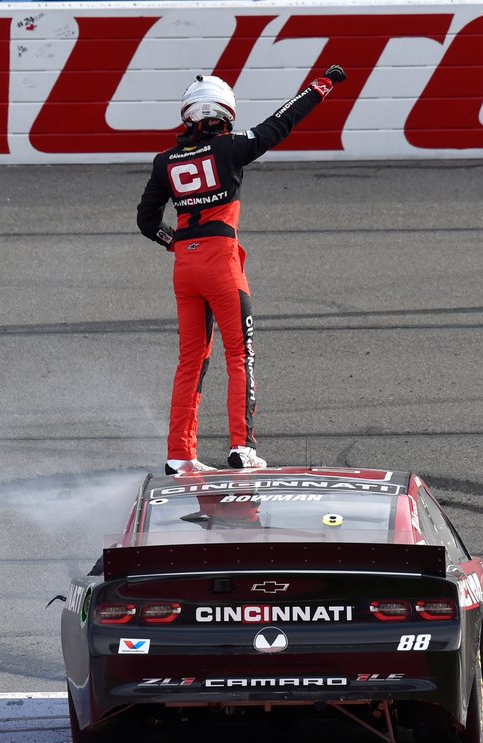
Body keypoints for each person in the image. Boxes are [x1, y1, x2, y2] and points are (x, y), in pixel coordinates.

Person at [137, 66, 347, 476]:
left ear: (188, 115)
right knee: (240, 355)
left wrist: (176, 242)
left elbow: (146, 221)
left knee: (191, 362)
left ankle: (179, 454)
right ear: (226, 113)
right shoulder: (231, 148)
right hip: (222, 264)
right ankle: (242, 448)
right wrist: (321, 86)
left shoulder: (165, 161)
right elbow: (280, 124)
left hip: (185, 267)